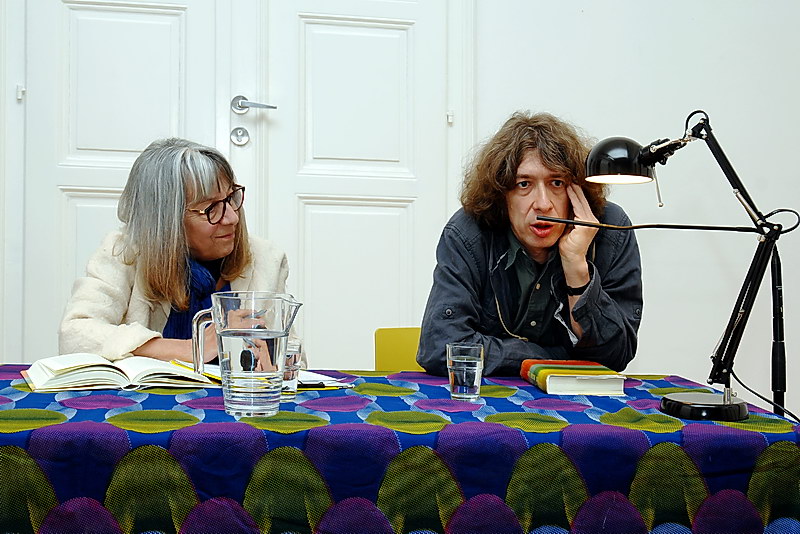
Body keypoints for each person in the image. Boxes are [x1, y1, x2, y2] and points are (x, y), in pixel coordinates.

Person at [416, 112, 643, 376]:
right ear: (502, 195)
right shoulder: (469, 231)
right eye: (524, 184)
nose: (543, 204)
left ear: (577, 189)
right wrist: (553, 358)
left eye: (556, 183)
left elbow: (616, 356)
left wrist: (576, 266)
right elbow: (440, 348)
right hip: (490, 397)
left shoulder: (611, 230)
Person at [59, 138, 293, 364]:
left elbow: (293, 356)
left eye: (231, 198)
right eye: (211, 208)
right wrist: (191, 349)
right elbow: (75, 333)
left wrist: (274, 359)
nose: (232, 217)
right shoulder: (123, 254)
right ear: (167, 221)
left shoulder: (266, 258)